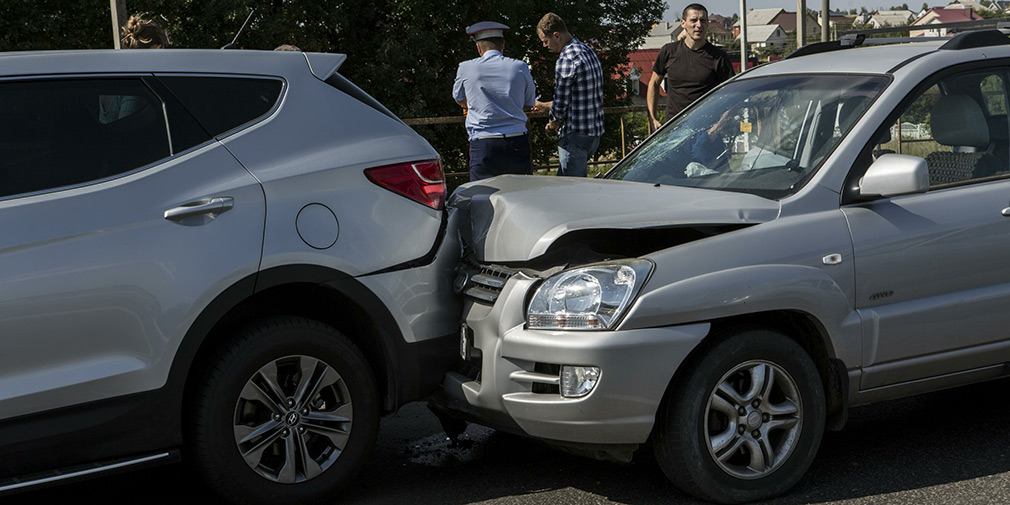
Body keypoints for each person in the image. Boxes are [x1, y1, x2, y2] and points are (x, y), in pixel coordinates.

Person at [452, 21, 537, 181]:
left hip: (483, 143)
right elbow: (529, 102)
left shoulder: (465, 67)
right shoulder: (520, 66)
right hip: (516, 140)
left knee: (482, 196)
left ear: (478, 47)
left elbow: (459, 98)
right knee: (520, 194)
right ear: (502, 45)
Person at [533, 12, 604, 178]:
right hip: (593, 133)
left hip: (575, 135)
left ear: (556, 36)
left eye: (545, 41)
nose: (545, 46)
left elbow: (561, 104)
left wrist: (552, 126)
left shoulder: (566, 58)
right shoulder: (587, 51)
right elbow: (581, 97)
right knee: (567, 186)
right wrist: (545, 105)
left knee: (571, 192)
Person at [647, 3, 733, 130]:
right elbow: (653, 83)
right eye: (693, 20)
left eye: (702, 21)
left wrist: (717, 127)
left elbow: (732, 95)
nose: (698, 25)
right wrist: (652, 118)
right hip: (674, 130)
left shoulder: (719, 57)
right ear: (683, 23)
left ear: (707, 24)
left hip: (705, 131)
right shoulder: (669, 51)